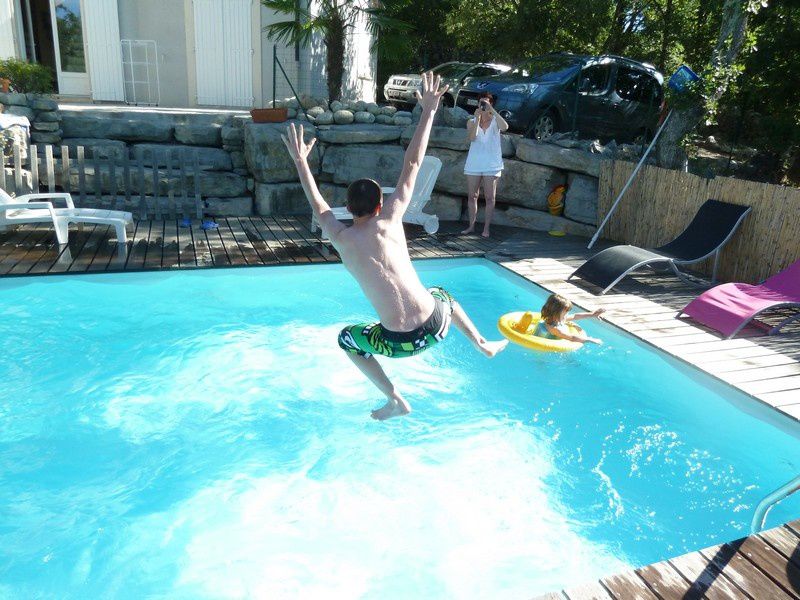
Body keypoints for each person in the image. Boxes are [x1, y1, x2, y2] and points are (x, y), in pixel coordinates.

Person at [281, 72, 508, 421]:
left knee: (347, 339)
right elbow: (413, 163)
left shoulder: (340, 238)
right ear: (378, 207)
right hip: (437, 327)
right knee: (441, 293)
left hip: (395, 344)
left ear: (349, 208)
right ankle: (482, 344)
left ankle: (395, 398)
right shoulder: (391, 219)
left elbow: (318, 205)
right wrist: (429, 109)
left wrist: (300, 161)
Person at [461, 92, 509, 238]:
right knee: (472, 196)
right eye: (481, 103)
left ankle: (486, 228)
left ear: (491, 104)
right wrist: (478, 118)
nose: (483, 105)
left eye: (486, 103)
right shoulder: (471, 121)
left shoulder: (495, 120)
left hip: (492, 164)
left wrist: (491, 110)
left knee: (489, 197)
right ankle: (471, 226)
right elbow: (473, 137)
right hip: (474, 163)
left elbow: (505, 127)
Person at [534, 293, 605, 345]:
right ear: (556, 313)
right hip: (543, 348)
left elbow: (575, 316)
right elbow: (572, 338)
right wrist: (590, 339)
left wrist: (592, 314)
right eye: (565, 312)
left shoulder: (557, 319)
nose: (567, 314)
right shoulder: (553, 328)